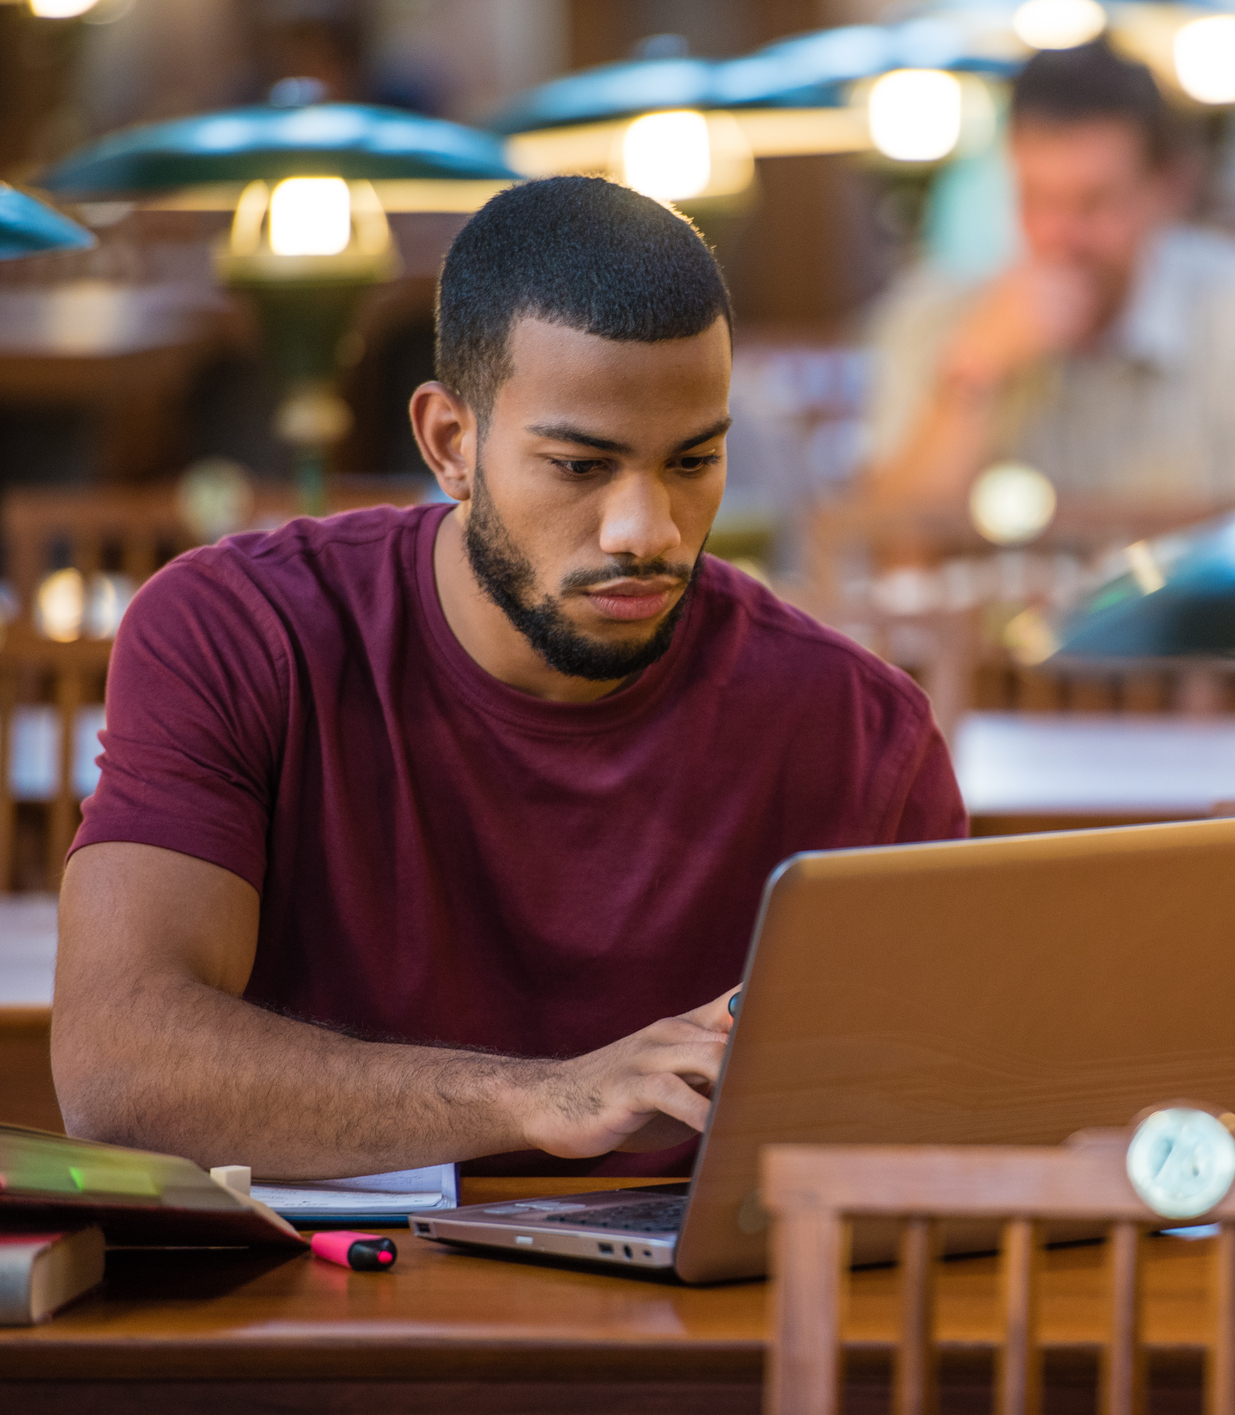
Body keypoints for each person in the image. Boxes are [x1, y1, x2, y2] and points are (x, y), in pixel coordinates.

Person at [52, 177, 966, 1180]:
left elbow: (944, 1115)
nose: (645, 530)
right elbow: (119, 1071)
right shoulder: (239, 631)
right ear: (452, 442)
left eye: (693, 460)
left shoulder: (858, 728)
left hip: (700, 1322)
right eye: (580, 466)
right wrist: (543, 1096)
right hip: (322, 1311)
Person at [863, 40, 1235, 519]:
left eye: (1093, 203)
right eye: (1036, 199)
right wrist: (973, 377)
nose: (1059, 235)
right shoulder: (936, 317)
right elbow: (888, 543)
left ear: (1168, 189)